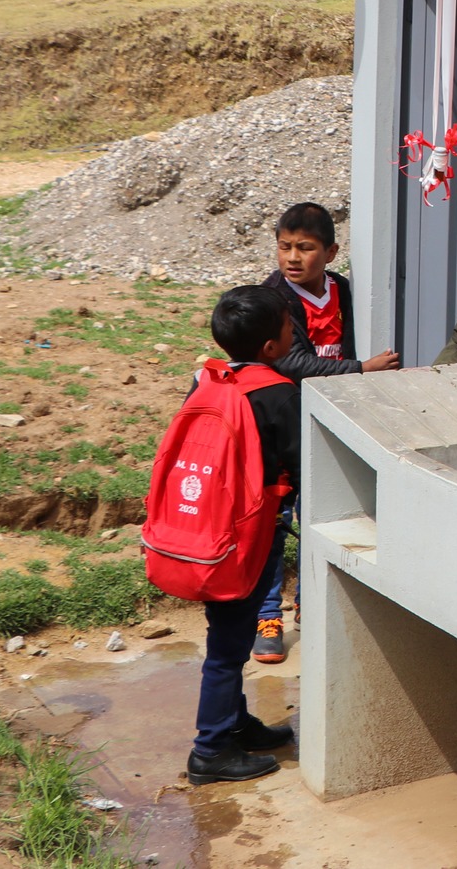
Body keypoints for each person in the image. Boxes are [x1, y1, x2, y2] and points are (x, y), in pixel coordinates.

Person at [253, 203, 397, 662]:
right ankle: (267, 615)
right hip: (281, 428)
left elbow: (345, 340)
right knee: (277, 520)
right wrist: (361, 370)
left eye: (305, 248)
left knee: (322, 513)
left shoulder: (344, 291)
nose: (292, 258)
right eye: (284, 247)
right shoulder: (274, 298)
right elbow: (290, 363)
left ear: (331, 252)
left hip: (325, 424)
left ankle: (308, 602)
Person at [184, 286, 300, 785]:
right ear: (272, 346)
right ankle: (210, 750)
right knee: (228, 647)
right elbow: (302, 462)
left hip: (211, 530)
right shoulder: (276, 392)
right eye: (290, 327)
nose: (296, 333)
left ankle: (236, 725)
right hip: (249, 537)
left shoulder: (208, 382)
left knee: (227, 630)